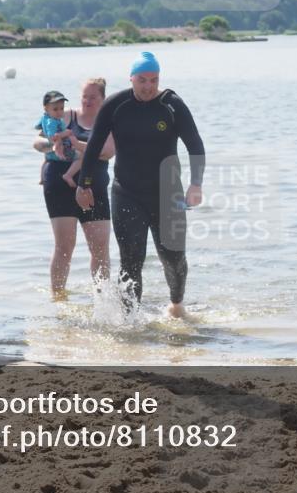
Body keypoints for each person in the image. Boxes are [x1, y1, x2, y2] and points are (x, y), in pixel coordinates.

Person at [75, 52, 205, 318]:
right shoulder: (115, 105)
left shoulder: (172, 105)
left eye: (154, 80)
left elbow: (195, 145)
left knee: (173, 258)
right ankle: (130, 320)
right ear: (131, 79)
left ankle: (177, 304)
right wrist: (83, 184)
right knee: (131, 260)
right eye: (142, 80)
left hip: (169, 194)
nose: (148, 86)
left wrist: (196, 184)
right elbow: (95, 145)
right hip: (127, 192)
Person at [33, 79, 115, 299]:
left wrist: (72, 142)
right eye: (84, 97)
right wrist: (54, 144)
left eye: (93, 97)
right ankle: (58, 298)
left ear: (103, 98)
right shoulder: (64, 114)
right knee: (64, 246)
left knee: (100, 248)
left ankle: (103, 298)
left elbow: (106, 152)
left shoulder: (108, 121)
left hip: (94, 186)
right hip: (59, 185)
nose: (87, 101)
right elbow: (37, 142)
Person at [39, 91, 80, 187]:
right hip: (59, 151)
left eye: (61, 108)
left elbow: (39, 127)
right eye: (55, 109)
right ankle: (68, 175)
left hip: (52, 154)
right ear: (46, 109)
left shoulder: (46, 119)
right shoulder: (51, 122)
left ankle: (41, 178)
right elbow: (53, 136)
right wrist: (66, 133)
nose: (59, 112)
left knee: (45, 159)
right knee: (81, 156)